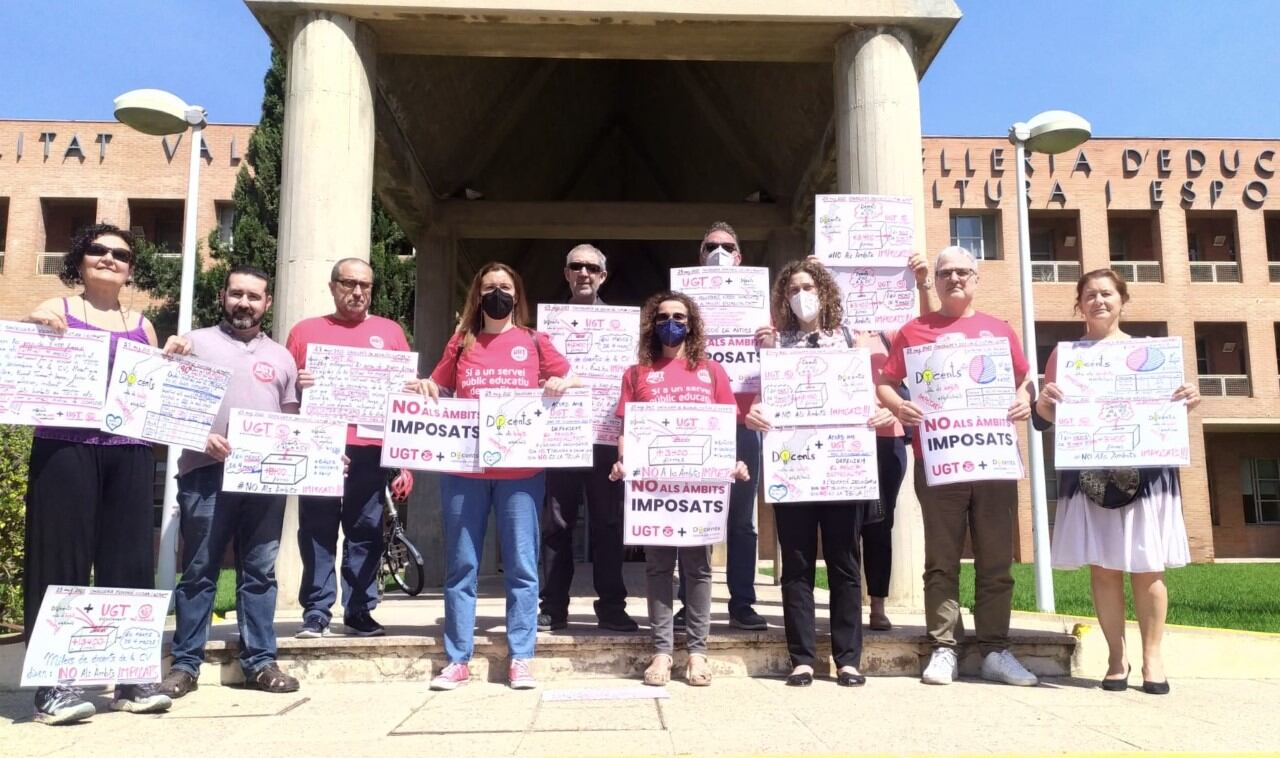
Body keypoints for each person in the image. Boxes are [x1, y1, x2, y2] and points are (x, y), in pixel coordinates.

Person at [23, 223, 186, 724]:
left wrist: (173, 363)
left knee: (130, 561)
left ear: (131, 268)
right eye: (99, 250)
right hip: (65, 446)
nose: (110, 258)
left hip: (129, 451)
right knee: (60, 561)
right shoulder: (57, 308)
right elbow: (26, 357)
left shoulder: (143, 323)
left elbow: (154, 390)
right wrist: (36, 321)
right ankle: (54, 685)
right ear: (81, 258)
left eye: (121, 254)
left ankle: (133, 676)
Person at [876, 245, 1040, 687]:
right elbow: (886, 384)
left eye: (963, 272)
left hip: (993, 460)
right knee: (942, 560)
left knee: (996, 560)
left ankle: (995, 648)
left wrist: (1024, 398)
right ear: (937, 279)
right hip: (939, 460)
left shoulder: (999, 331)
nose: (954, 279)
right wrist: (900, 406)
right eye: (946, 273)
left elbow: (1024, 379)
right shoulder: (913, 331)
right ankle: (944, 647)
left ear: (976, 278)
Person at [1034, 269, 1199, 695]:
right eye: (1089, 295)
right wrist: (1044, 403)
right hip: (1091, 471)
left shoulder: (1151, 354)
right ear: (1079, 304)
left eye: (1107, 294)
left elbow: (1170, 413)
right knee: (1104, 567)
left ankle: (1152, 658)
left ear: (1123, 300)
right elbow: (1045, 419)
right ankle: (1114, 656)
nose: (1098, 301)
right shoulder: (1063, 356)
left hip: (1146, 471)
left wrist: (1186, 400)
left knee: (1148, 566)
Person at [416, 262, 578, 691]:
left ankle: (521, 656)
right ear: (478, 295)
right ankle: (457, 659)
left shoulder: (534, 340)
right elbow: (438, 386)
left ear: (516, 295)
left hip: (521, 472)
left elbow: (572, 378)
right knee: (462, 565)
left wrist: (561, 384)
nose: (497, 294)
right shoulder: (461, 342)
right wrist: (427, 388)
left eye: (505, 287)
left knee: (523, 566)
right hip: (465, 470)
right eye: (490, 288)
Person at [747, 259, 896, 686]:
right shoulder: (776, 346)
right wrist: (755, 412)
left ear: (825, 291)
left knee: (845, 561)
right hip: (794, 470)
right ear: (783, 299)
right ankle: (803, 659)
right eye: (792, 289)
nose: (801, 295)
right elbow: (763, 399)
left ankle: (849, 658)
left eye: (807, 286)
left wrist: (878, 412)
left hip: (842, 468)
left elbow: (874, 392)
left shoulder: (851, 340)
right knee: (796, 564)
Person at [157, 267, 303, 699]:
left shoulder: (281, 356)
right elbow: (167, 405)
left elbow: (292, 422)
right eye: (237, 293)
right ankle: (185, 665)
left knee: (259, 572)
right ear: (223, 296)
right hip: (205, 474)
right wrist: (198, 436)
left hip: (264, 479)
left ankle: (260, 661)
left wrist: (323, 453)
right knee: (199, 570)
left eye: (253, 296)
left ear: (267, 303)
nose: (244, 302)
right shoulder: (193, 344)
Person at [609, 292, 750, 687]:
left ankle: (698, 652)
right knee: (657, 568)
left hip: (699, 490)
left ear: (692, 324)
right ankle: (661, 652)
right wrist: (623, 461)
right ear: (653, 323)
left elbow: (725, 428)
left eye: (680, 316)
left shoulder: (711, 371)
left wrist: (733, 463)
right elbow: (626, 431)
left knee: (698, 568)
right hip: (653, 490)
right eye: (664, 316)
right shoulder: (637, 373)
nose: (672, 322)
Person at [286, 258, 412, 638]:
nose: (358, 292)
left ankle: (360, 608)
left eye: (366, 285)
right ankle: (317, 611)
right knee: (316, 529)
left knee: (366, 530)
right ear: (332, 286)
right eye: (349, 283)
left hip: (372, 449)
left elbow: (406, 397)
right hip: (321, 447)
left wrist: (405, 459)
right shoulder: (304, 332)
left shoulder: (390, 332)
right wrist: (299, 385)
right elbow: (284, 395)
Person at [538, 245, 639, 633]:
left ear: (603, 276)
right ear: (565, 274)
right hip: (561, 436)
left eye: (592, 268)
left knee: (609, 525)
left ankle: (612, 606)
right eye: (576, 267)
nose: (584, 273)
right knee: (557, 524)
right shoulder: (545, 328)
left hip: (605, 436)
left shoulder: (626, 327)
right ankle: (553, 607)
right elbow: (532, 376)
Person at [679, 221, 767, 631]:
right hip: (695, 421)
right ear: (700, 257)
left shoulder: (762, 309)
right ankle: (689, 604)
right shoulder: (682, 309)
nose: (718, 251)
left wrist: (772, 341)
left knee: (742, 520)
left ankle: (742, 603)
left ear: (739, 256)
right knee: (694, 512)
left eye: (726, 246)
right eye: (710, 245)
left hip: (744, 421)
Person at [842, 252, 935, 631]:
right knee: (841, 525)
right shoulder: (831, 329)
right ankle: (846, 603)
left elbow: (930, 331)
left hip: (886, 439)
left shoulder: (891, 331)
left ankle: (877, 603)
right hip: (841, 441)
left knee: (879, 523)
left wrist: (925, 281)